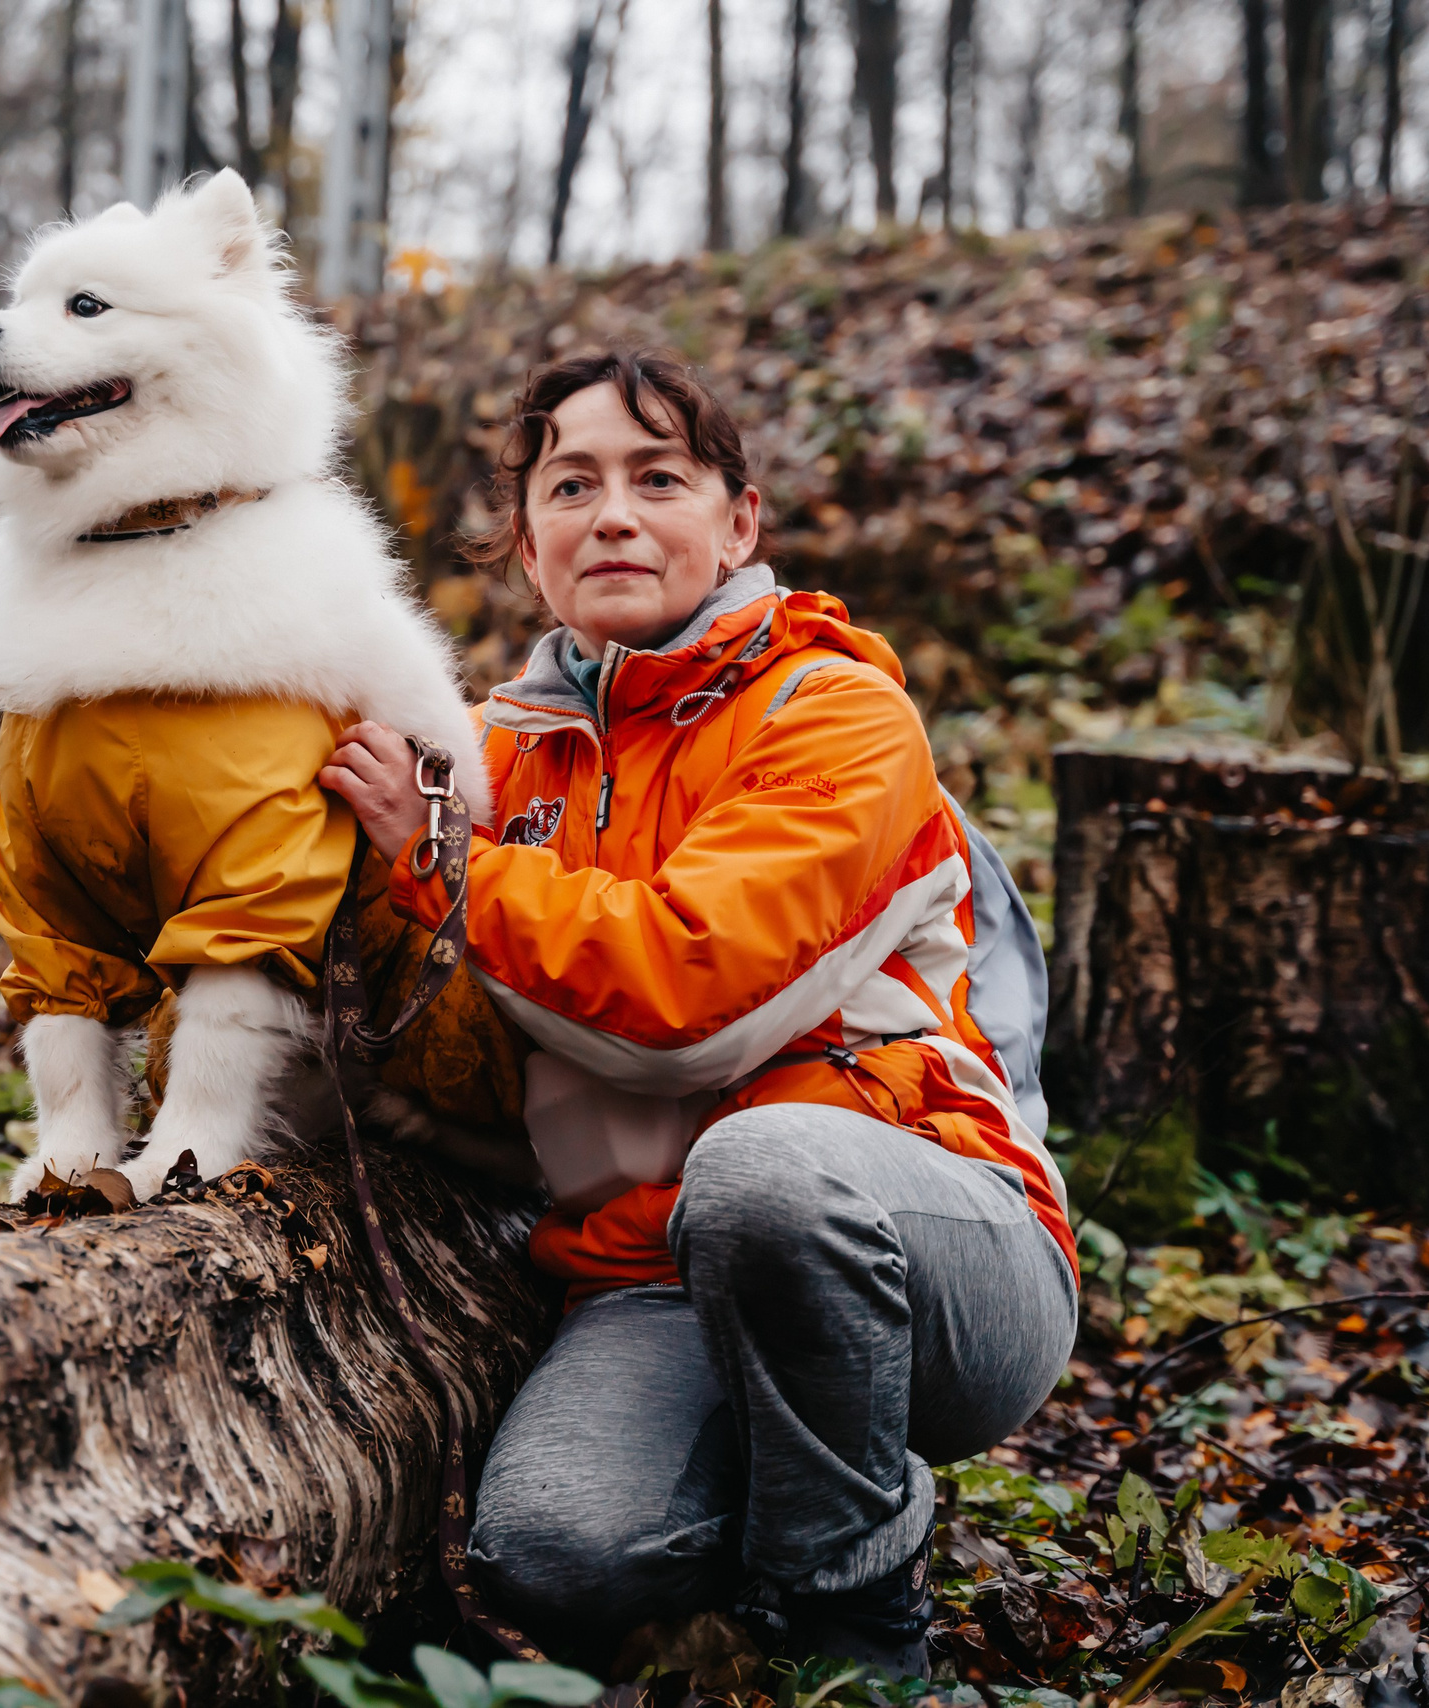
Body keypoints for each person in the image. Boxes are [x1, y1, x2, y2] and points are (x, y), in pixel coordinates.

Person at [318, 351, 1078, 1675]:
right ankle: (789, 1487)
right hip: (647, 1271)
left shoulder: (836, 711)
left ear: (738, 524)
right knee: (556, 1554)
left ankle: (856, 1608)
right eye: (571, 486)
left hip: (934, 1244)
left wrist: (441, 865)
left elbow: (686, 1006)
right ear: (529, 545)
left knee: (762, 1171)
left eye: (658, 478)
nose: (613, 514)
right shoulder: (491, 756)